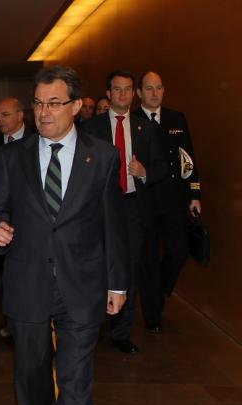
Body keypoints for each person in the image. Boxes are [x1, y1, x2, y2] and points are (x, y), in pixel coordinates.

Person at [0, 65, 129, 405]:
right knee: (30, 374)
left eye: (53, 103)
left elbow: (113, 224)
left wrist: (117, 282)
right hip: (26, 283)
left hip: (81, 286)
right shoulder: (13, 156)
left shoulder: (102, 157)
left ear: (77, 107)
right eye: (38, 104)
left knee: (77, 388)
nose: (43, 112)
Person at [82, 70, 166, 355]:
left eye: (128, 89)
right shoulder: (91, 128)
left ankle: (121, 332)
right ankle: (89, 326)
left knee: (128, 269)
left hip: (131, 207)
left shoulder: (146, 128)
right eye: (117, 89)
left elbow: (161, 167)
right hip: (98, 207)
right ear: (108, 93)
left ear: (134, 93)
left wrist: (144, 172)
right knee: (93, 265)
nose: (122, 94)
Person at [133, 71, 202, 332]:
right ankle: (153, 317)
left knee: (179, 250)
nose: (154, 93)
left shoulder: (176, 118)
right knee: (148, 260)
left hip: (174, 199)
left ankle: (160, 288)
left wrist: (194, 193)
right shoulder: (132, 120)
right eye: (149, 88)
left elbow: (188, 158)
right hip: (145, 201)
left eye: (159, 88)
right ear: (139, 93)